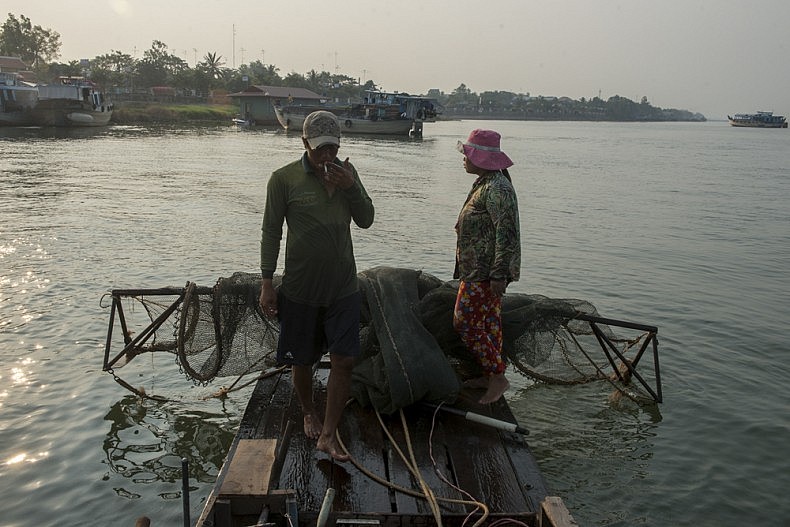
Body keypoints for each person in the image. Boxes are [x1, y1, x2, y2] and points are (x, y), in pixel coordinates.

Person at [258, 110, 375, 461]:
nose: (327, 157)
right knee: (303, 359)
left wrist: (350, 187)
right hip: (299, 290)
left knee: (344, 361)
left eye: (333, 149)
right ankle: (309, 410)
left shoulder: (348, 175)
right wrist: (267, 283)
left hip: (343, 288)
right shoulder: (283, 179)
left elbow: (367, 219)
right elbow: (271, 232)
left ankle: (328, 433)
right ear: (305, 143)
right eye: (320, 149)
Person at [453, 129, 521, 405]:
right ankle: (490, 373)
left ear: (482, 158)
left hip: (484, 273)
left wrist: (498, 274)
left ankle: (497, 377)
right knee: (489, 323)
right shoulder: (486, 183)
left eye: (468, 154)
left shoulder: (497, 189)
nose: (464, 159)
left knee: (464, 322)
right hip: (477, 269)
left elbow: (506, 234)